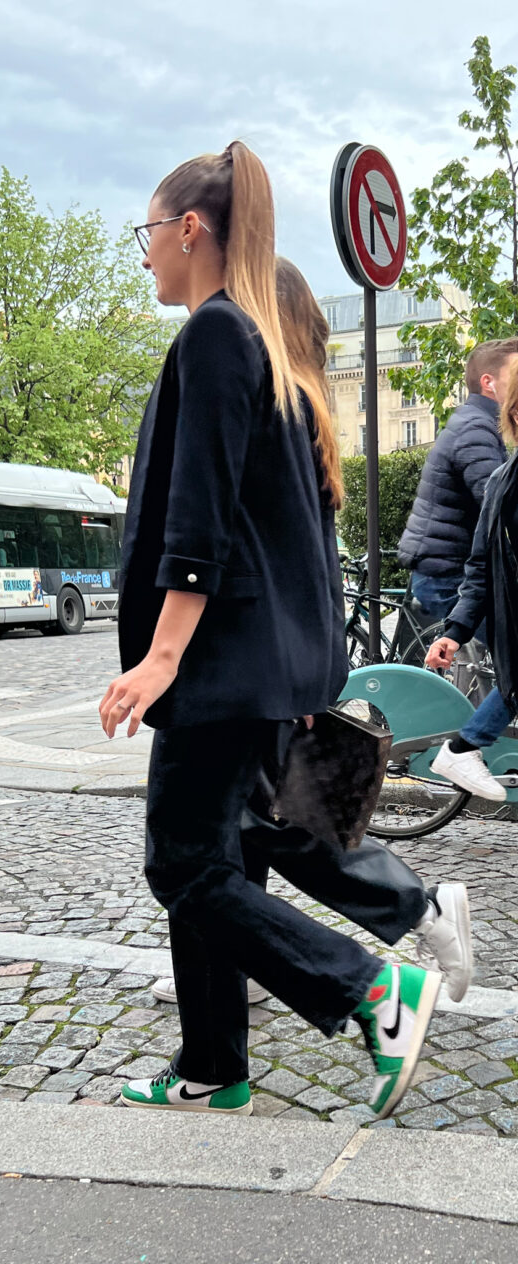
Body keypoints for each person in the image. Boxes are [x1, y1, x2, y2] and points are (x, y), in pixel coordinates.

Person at [100, 141, 441, 1121]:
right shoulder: (262, 345)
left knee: (184, 862)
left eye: (148, 233)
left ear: (190, 227)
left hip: (213, 666)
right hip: (258, 663)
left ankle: (370, 989)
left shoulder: (215, 335)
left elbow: (195, 522)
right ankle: (216, 1067)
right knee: (219, 856)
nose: (145, 253)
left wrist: (159, 658)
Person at [150, 258, 472, 1012]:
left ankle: (382, 946)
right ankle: (240, 990)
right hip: (274, 670)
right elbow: (315, 571)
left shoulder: (265, 406)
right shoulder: (306, 419)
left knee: (229, 838)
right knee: (250, 827)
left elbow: (257, 555)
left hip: (238, 670)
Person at [399, 338, 518, 800]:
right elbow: (495, 503)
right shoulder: (476, 431)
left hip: (457, 572)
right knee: (514, 661)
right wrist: (456, 628)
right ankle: (464, 746)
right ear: (491, 383)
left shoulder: (480, 426)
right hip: (449, 575)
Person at [427, 362, 518, 775]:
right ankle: (463, 749)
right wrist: (455, 632)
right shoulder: (502, 483)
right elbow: (480, 567)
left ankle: (464, 748)